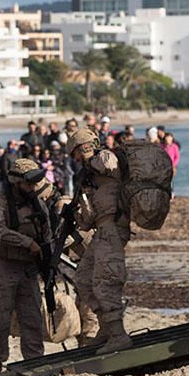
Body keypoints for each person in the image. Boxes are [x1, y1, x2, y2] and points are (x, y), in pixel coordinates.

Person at [68, 128, 132, 353]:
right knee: (83, 278)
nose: (76, 159)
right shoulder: (89, 178)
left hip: (114, 228)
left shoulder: (105, 157)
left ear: (85, 147)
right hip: (101, 230)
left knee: (106, 281)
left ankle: (118, 335)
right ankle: (106, 327)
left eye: (77, 153)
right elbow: (87, 221)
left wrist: (88, 163)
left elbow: (108, 165)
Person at [0, 158, 51, 374]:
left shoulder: (37, 202)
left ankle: (35, 362)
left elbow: (46, 231)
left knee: (32, 318)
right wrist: (26, 242)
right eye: (28, 184)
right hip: (5, 267)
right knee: (0, 319)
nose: (33, 188)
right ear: (16, 182)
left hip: (29, 270)